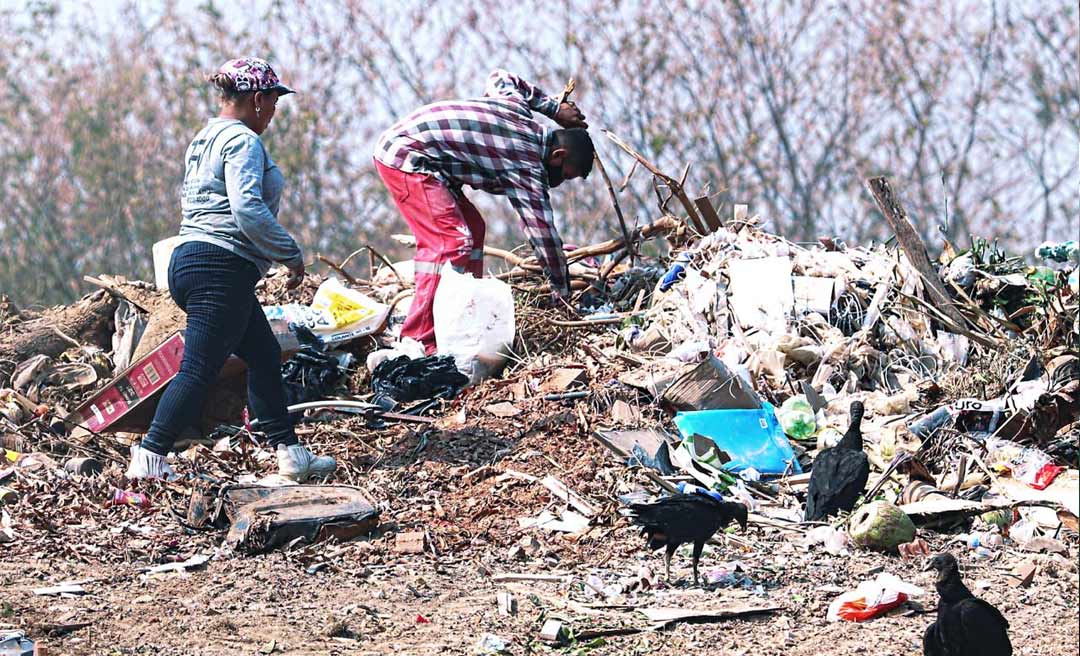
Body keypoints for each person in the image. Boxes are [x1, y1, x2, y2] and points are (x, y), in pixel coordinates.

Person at [126, 57, 336, 481]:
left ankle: (290, 453)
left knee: (263, 353)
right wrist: (289, 253)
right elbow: (247, 209)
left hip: (191, 262)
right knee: (199, 368)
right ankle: (149, 460)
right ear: (258, 99)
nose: (275, 112)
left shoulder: (204, 139)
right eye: (274, 102)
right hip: (218, 267)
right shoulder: (243, 141)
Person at [374, 69, 594, 353]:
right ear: (558, 156)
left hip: (429, 162)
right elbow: (545, 238)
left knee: (474, 229)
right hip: (407, 156)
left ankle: (464, 318)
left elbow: (501, 78)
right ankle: (419, 341)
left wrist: (553, 108)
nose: (560, 182)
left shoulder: (516, 108)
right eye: (565, 174)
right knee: (450, 243)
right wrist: (562, 296)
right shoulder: (527, 166)